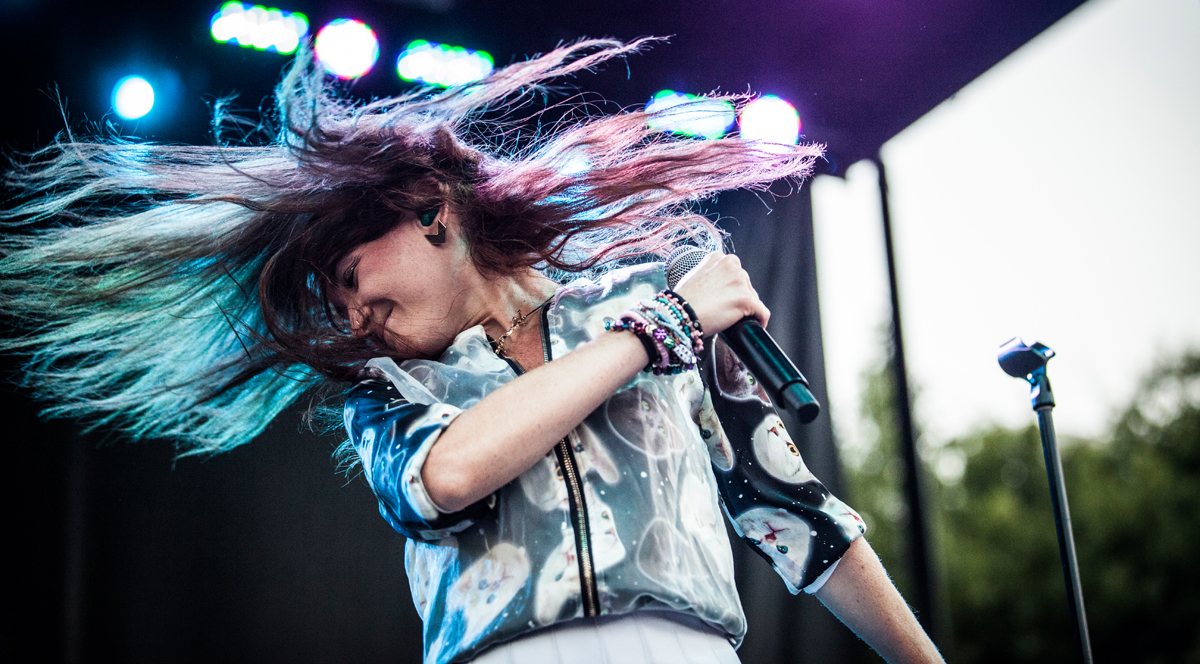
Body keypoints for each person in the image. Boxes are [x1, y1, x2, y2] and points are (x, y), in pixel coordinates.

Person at [0, 40, 943, 663]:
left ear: (430, 212)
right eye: (328, 296)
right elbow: (445, 477)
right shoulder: (390, 387)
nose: (349, 305)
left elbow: (800, 518)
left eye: (348, 268)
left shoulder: (636, 303)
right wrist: (658, 331)